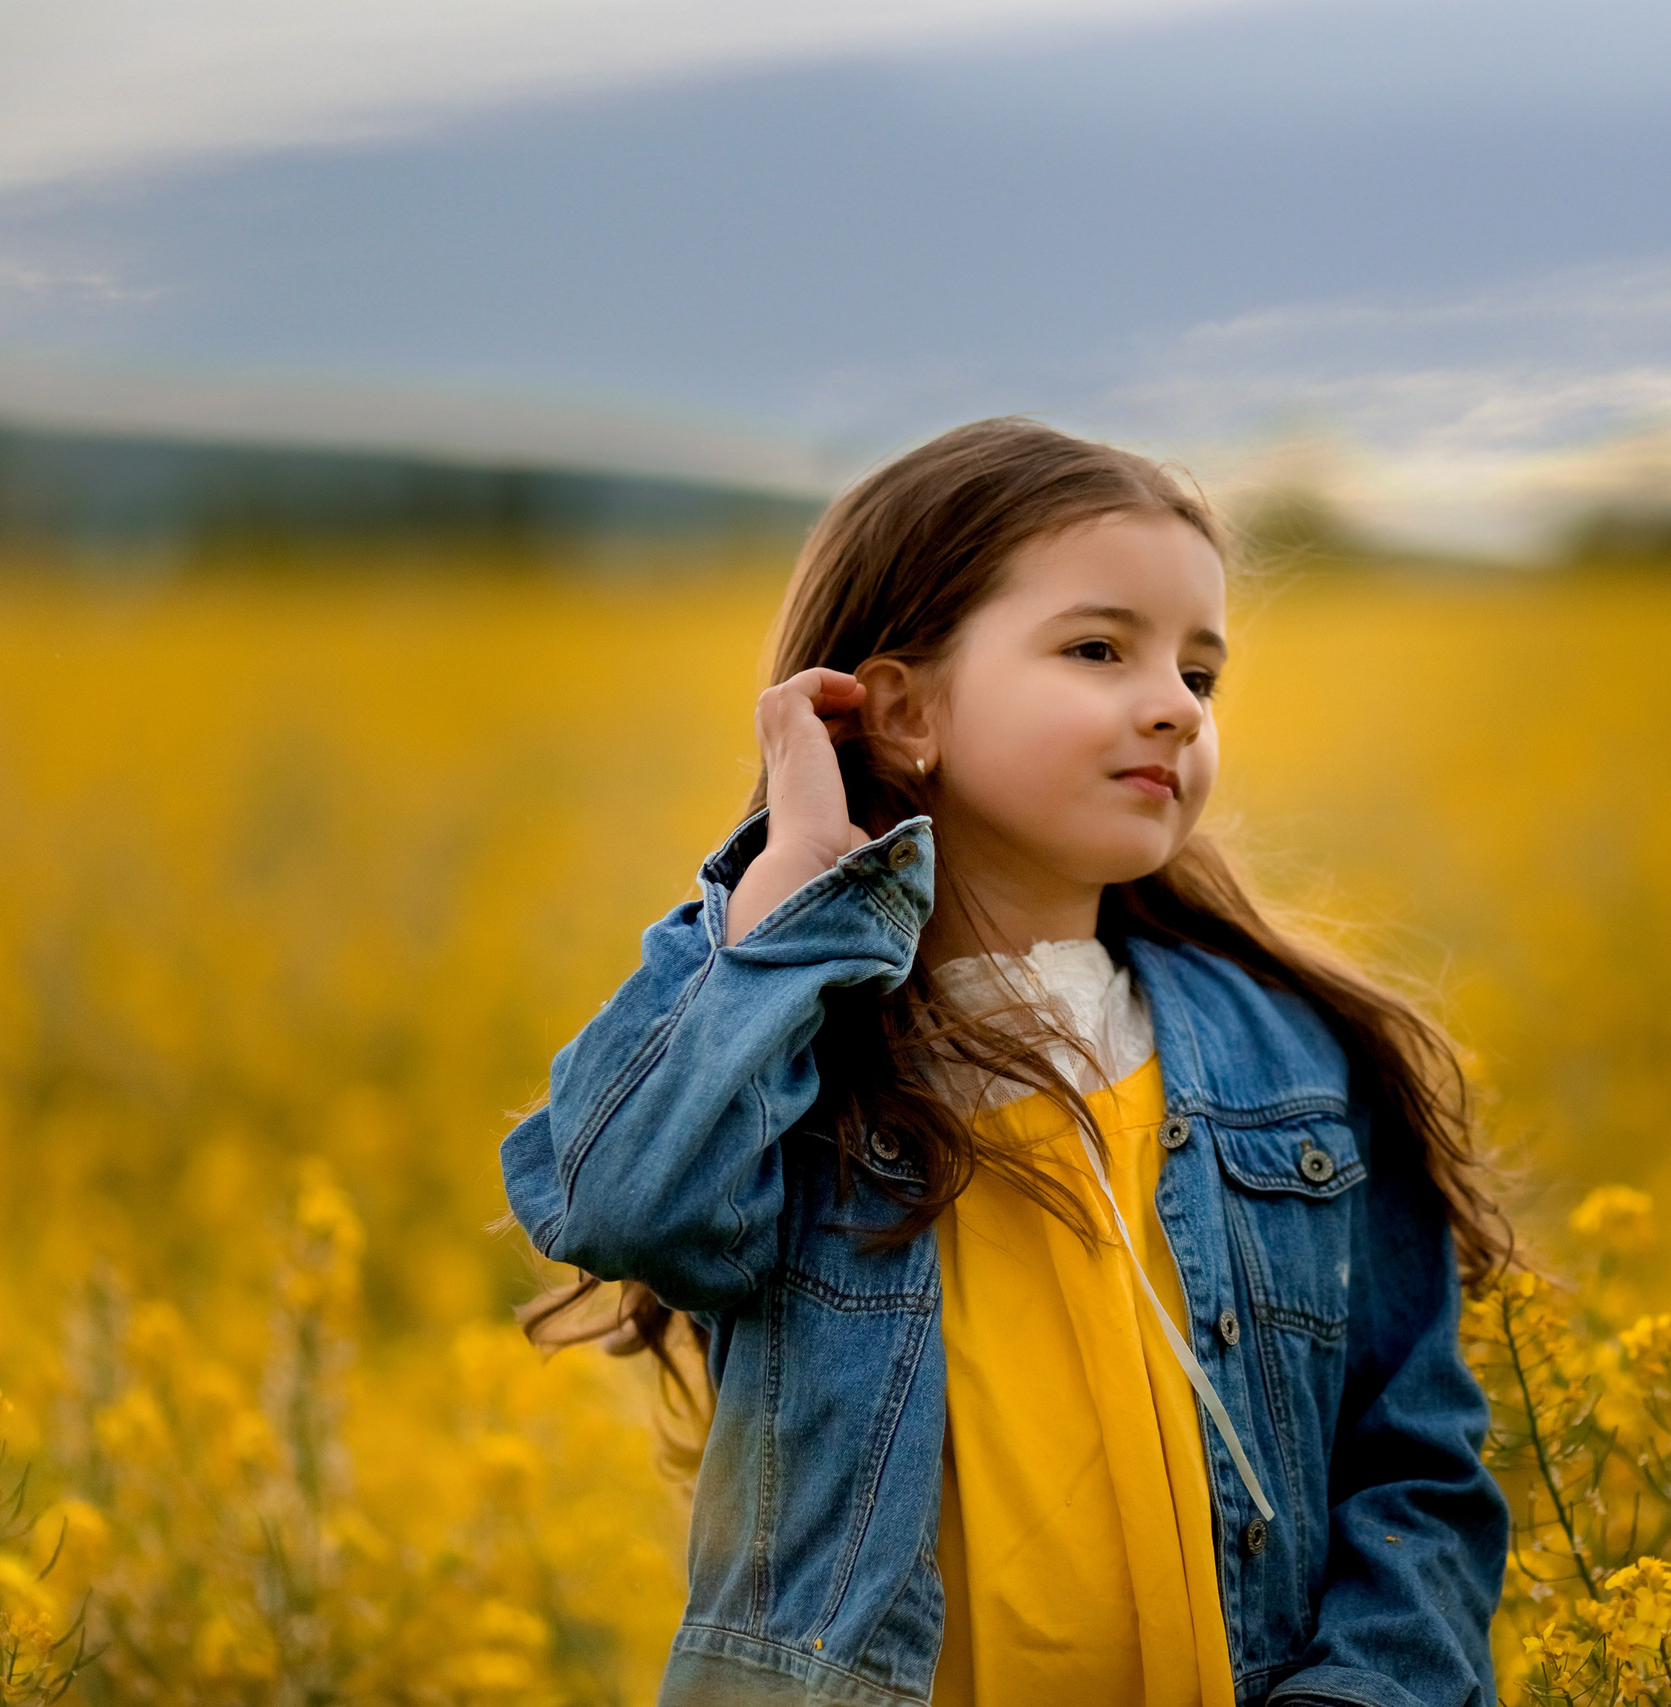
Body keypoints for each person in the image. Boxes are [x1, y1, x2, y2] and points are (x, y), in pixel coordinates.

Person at [498, 417, 1510, 1706]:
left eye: (1201, 678)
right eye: (1099, 649)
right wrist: (780, 907)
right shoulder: (797, 1070)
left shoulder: (1298, 1058)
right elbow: (616, 1201)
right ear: (906, 706)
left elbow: (1413, 1468)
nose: (1171, 706)